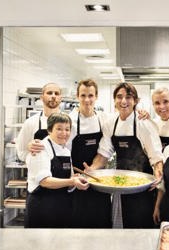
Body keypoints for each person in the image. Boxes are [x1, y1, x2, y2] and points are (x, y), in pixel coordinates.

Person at [87, 82, 164, 228]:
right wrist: (92, 169)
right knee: (120, 225)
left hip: (143, 186)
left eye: (128, 97)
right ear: (114, 100)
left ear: (135, 101)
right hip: (120, 184)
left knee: (140, 225)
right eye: (119, 97)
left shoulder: (143, 123)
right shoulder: (111, 122)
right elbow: (104, 154)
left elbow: (156, 156)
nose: (123, 101)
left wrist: (158, 174)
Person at [25, 112, 89, 228]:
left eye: (67, 129)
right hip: (42, 208)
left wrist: (74, 180)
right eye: (59, 129)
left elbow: (69, 180)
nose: (64, 133)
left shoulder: (66, 150)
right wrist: (71, 181)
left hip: (61, 208)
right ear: (49, 130)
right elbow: (45, 181)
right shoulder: (40, 148)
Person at [68, 79, 111, 228]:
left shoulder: (103, 119)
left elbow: (106, 149)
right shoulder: (70, 121)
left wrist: (93, 169)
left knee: (101, 219)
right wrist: (74, 177)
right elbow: (63, 152)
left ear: (96, 96)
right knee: (78, 222)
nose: (87, 100)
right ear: (77, 96)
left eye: (91, 95)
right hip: (77, 181)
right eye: (83, 95)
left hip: (98, 178)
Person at [16, 83, 62, 161]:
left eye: (56, 93)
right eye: (49, 93)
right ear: (41, 97)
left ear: (60, 98)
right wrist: (31, 152)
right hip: (39, 171)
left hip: (62, 172)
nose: (53, 96)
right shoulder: (30, 122)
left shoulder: (69, 121)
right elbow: (21, 152)